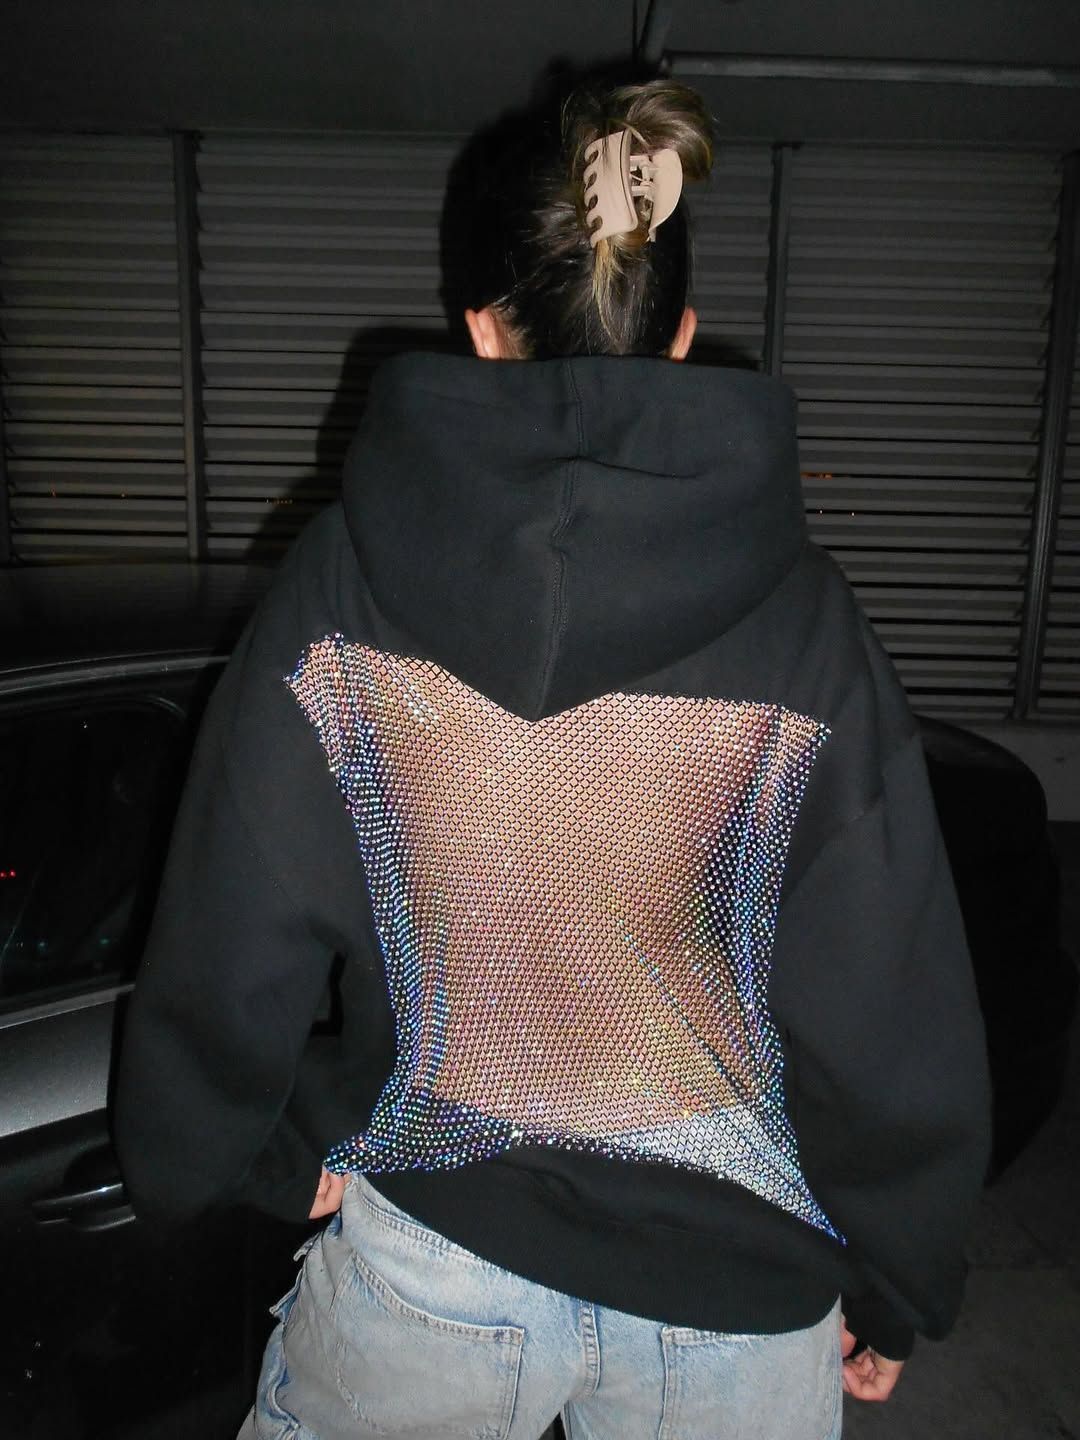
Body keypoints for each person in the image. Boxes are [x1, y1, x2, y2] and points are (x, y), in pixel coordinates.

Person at [115, 76, 991, 1440]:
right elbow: (885, 994)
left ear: (481, 327)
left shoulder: (344, 580)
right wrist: (897, 1275)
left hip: (434, 1254)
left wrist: (238, 1154)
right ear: (684, 336)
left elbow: (237, 911)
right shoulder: (806, 624)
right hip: (737, 1291)